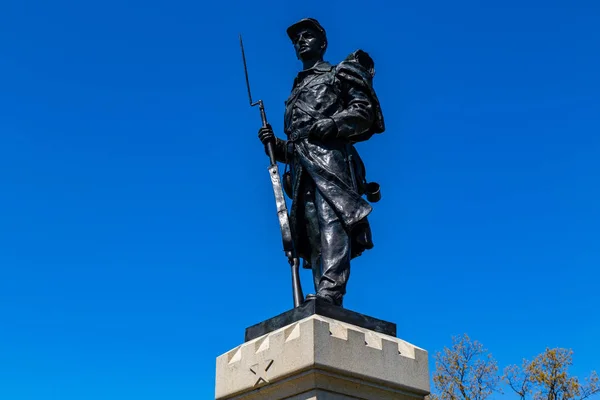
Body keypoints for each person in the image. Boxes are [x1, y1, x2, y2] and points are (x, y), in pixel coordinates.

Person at [258, 18, 385, 307]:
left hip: (331, 162)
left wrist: (334, 123)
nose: (300, 41)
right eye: (296, 39)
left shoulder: (339, 73)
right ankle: (322, 294)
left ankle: (330, 291)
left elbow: (364, 113)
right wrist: (276, 145)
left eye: (307, 36)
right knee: (311, 231)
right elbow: (297, 144)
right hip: (301, 167)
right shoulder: (295, 91)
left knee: (332, 222)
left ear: (322, 43)